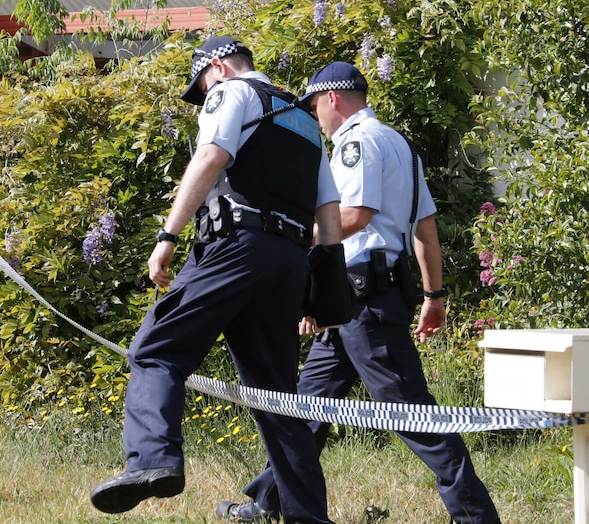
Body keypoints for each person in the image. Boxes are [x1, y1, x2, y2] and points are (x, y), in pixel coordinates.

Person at [215, 62, 502, 524]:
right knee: (304, 408)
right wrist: (434, 294)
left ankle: (475, 517)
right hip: (353, 301)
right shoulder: (400, 146)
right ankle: (269, 503)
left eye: (313, 107)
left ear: (332, 98)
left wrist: (290, 239)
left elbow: (354, 216)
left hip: (364, 304)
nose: (316, 119)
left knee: (413, 415)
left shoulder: (356, 142)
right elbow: (423, 227)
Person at [89, 37, 342, 524]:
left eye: (201, 85)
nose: (203, 95)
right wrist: (320, 287)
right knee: (277, 398)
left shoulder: (232, 93)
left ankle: (153, 461)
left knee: (157, 349)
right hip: (290, 258)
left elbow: (209, 158)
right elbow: (328, 212)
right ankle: (309, 517)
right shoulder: (306, 121)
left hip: (236, 247)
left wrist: (168, 236)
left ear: (220, 67)